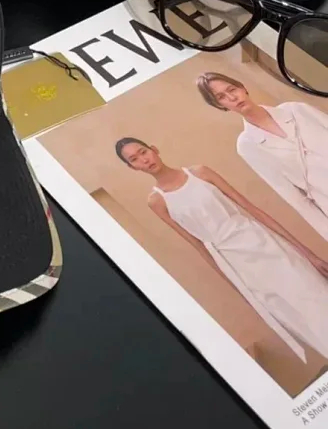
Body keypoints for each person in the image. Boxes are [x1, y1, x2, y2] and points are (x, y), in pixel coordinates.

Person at [116, 137, 328, 362]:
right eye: (134, 159)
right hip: (234, 264)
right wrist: (239, 290)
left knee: (314, 294)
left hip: (261, 241)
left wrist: (309, 255)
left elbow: (252, 209)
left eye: (143, 151)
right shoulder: (157, 202)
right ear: (132, 167)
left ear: (154, 149)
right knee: (292, 314)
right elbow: (198, 245)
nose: (144, 160)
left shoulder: (199, 173)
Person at [197, 72, 328, 242]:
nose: (232, 97)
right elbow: (292, 196)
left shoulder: (295, 110)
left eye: (232, 89)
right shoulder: (247, 145)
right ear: (219, 105)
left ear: (242, 88)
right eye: (221, 97)